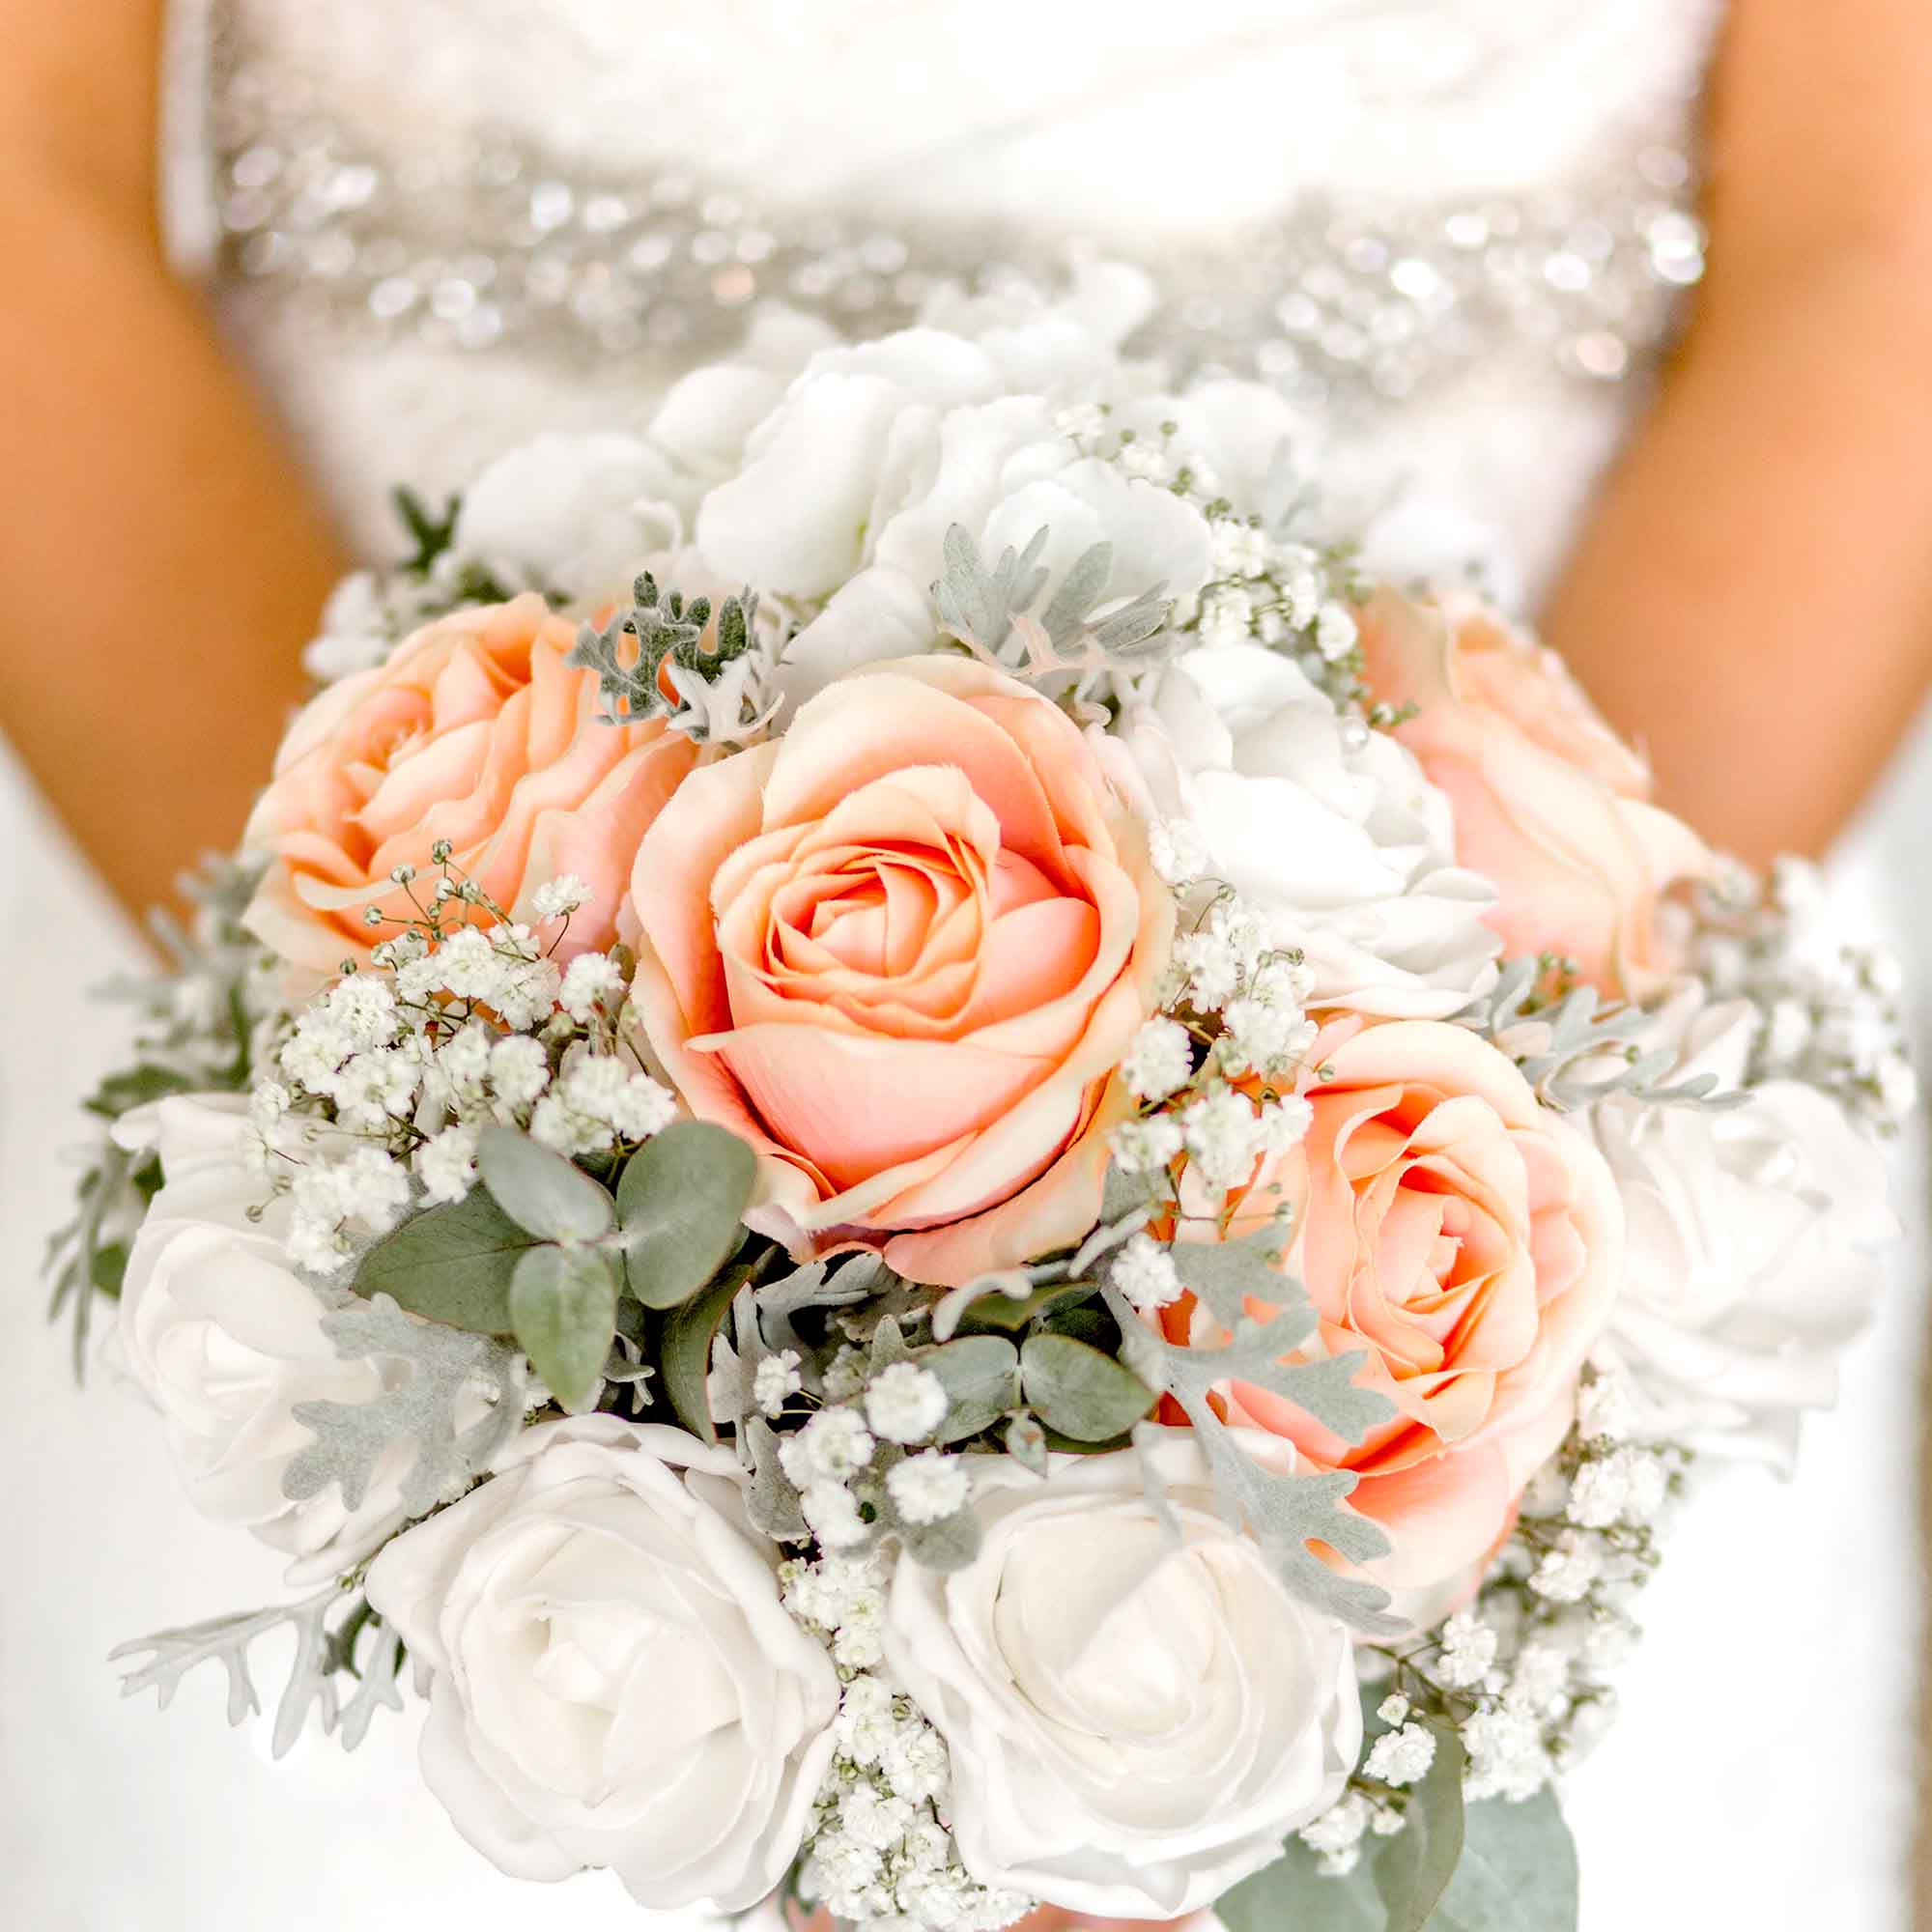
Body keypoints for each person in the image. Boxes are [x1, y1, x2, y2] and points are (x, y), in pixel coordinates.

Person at [1, 4, 1925, 1928]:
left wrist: (1424, 1229)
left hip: (1559, 951)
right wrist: (470, 1194)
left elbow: (1870, 251)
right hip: (345, 942)